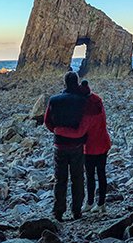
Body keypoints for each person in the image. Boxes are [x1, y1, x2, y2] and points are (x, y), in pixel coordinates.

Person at [54, 79, 111, 214]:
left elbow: (79, 132)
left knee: (90, 175)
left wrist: (59, 130)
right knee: (101, 174)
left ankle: (90, 202)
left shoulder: (87, 112)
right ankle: (101, 203)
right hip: (103, 143)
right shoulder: (98, 102)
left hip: (90, 147)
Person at [43, 71, 88, 221]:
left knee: (60, 179)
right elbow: (86, 121)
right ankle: (77, 211)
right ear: (76, 82)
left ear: (65, 83)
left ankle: (58, 212)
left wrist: (57, 131)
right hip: (77, 144)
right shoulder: (82, 100)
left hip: (60, 144)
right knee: (78, 178)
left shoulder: (54, 100)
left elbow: (47, 121)